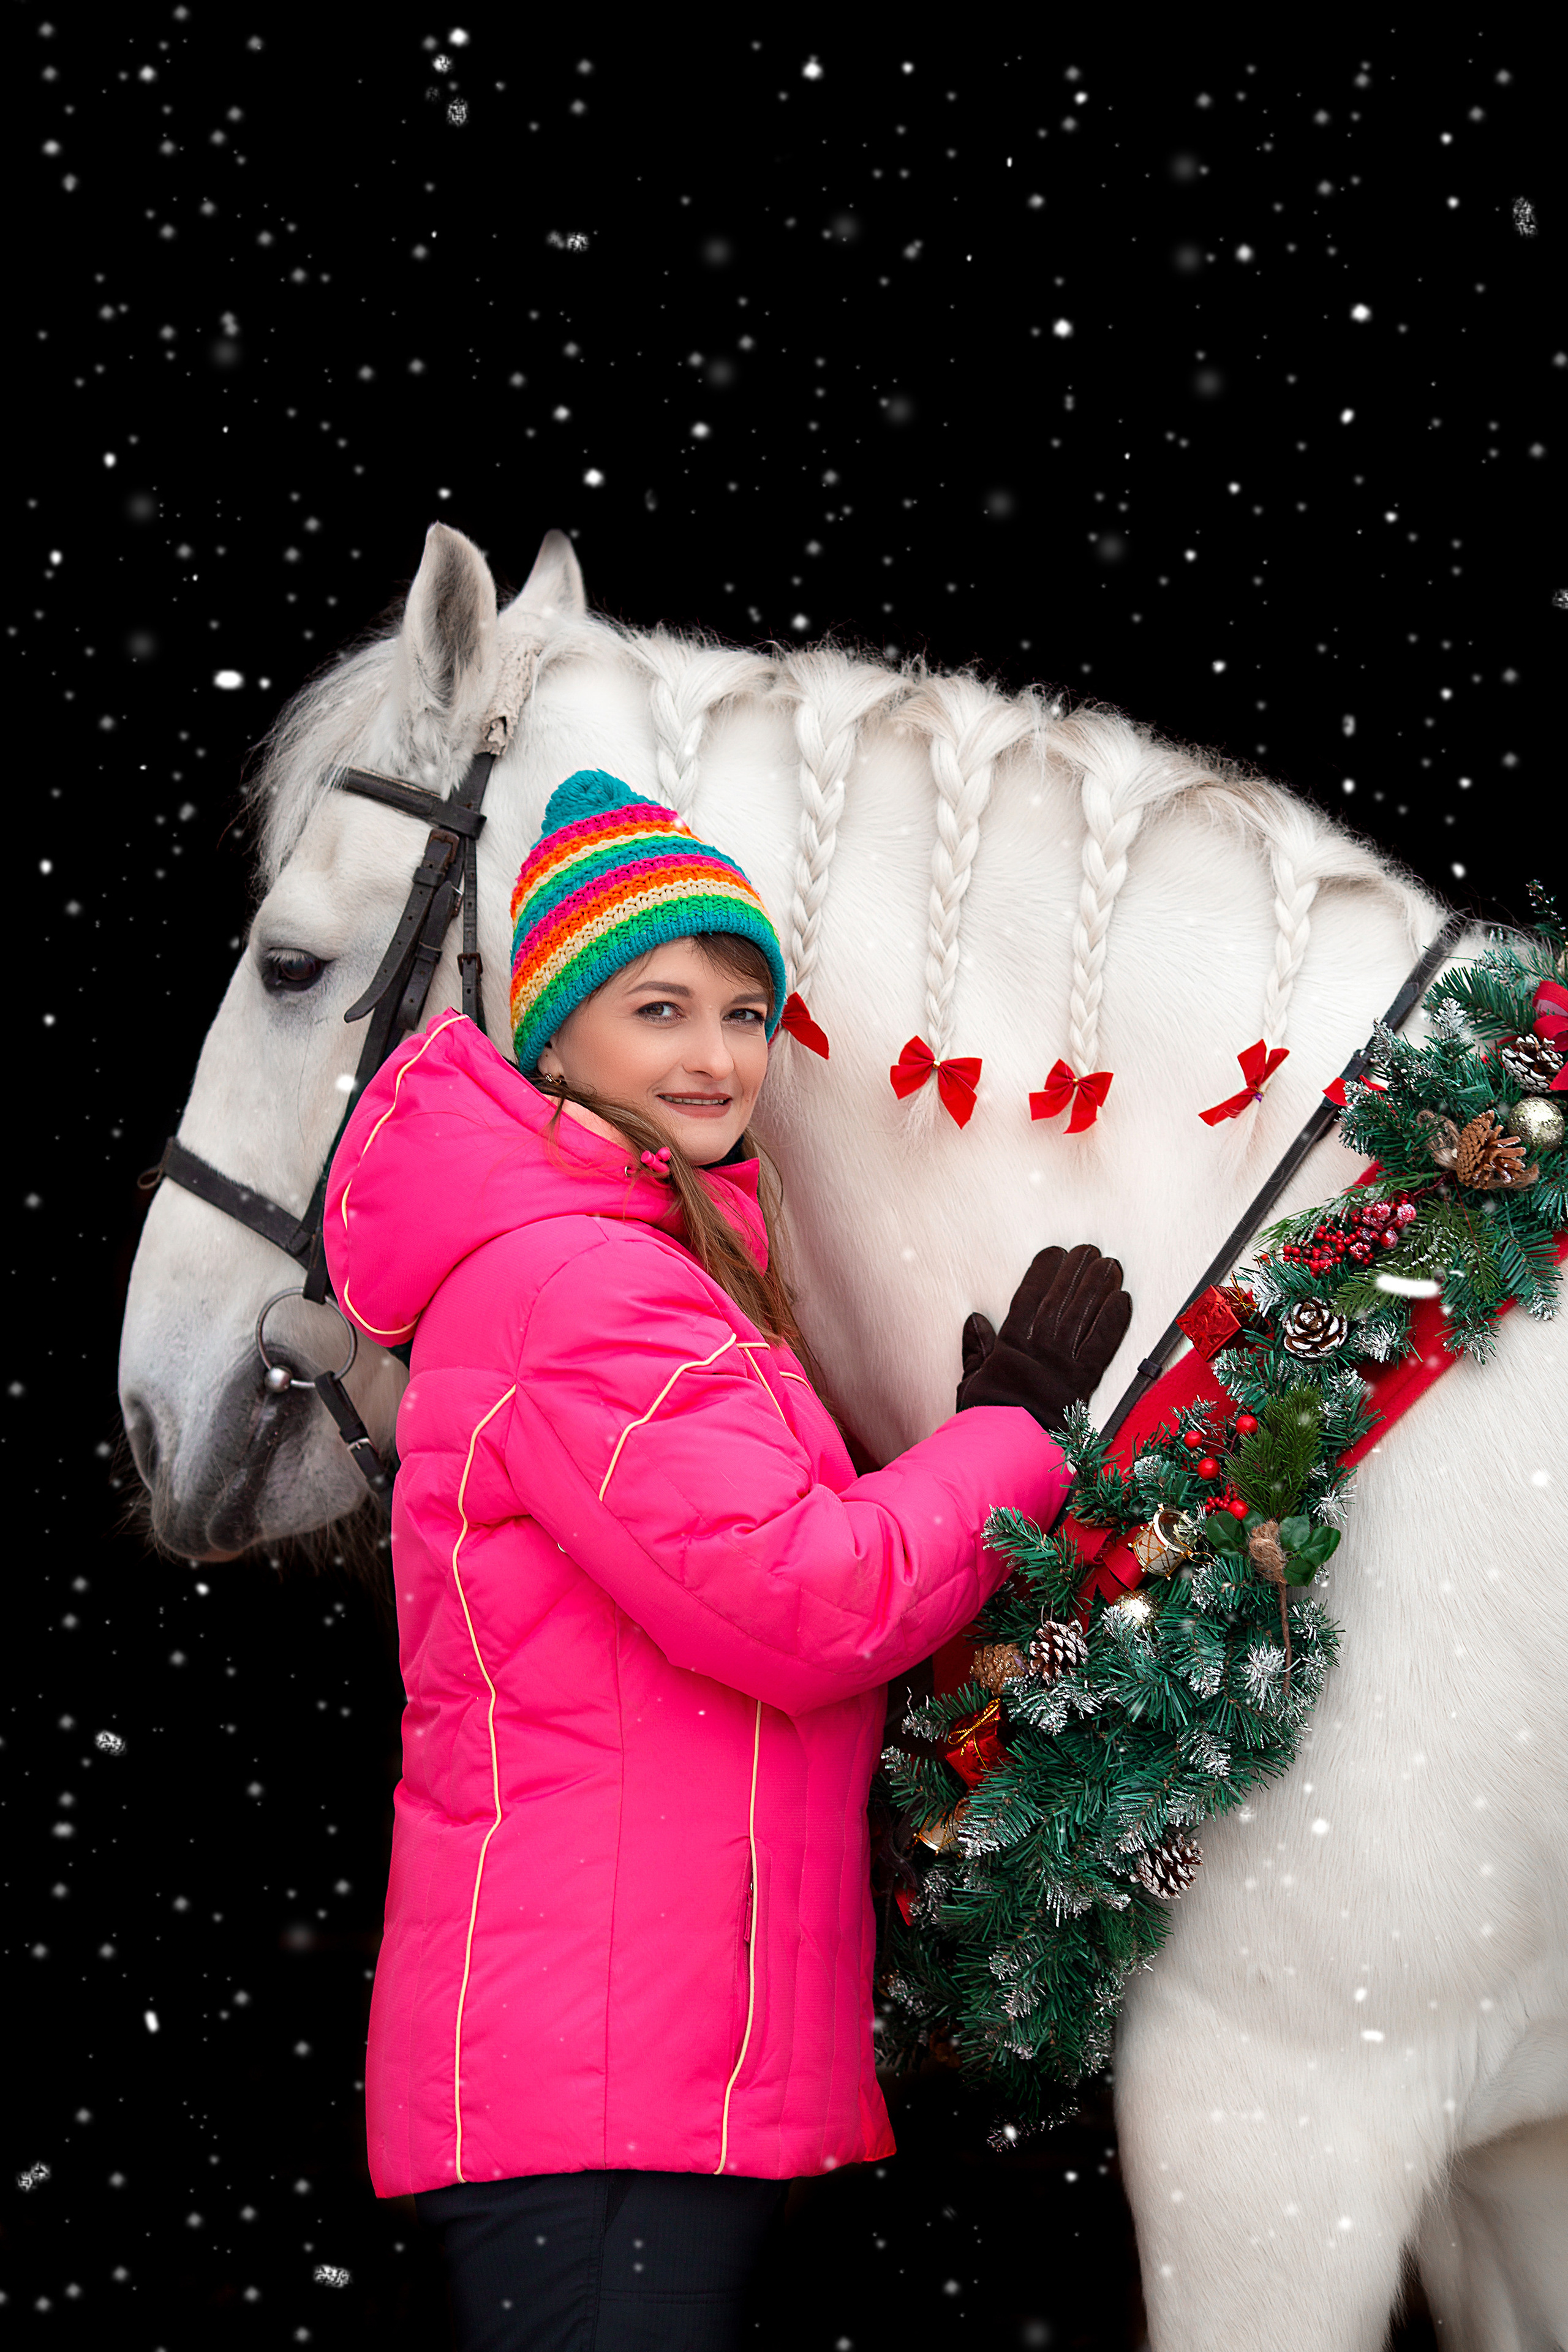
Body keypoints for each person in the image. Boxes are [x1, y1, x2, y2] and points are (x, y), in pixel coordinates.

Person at [323, 770, 1132, 2351]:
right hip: (604, 2077)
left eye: (746, 1013)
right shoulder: (582, 1285)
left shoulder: (650, 1264)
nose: (715, 1056)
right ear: (556, 1035)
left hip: (637, 2063)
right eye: (660, 1008)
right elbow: (800, 1598)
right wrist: (1010, 1435)